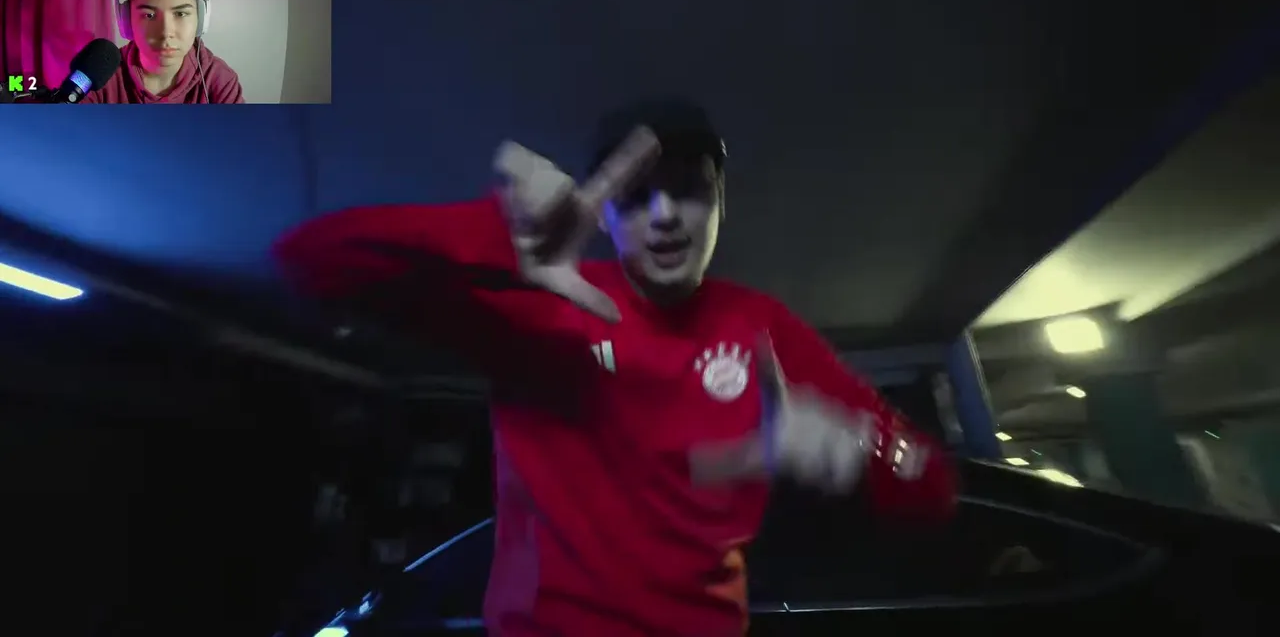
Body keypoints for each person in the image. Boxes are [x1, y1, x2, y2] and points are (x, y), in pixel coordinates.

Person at [273, 99, 957, 636]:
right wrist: (496, 237)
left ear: (722, 201)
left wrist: (863, 449)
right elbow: (311, 260)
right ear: (602, 212)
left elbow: (931, 485)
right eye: (635, 196)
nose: (664, 216)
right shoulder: (541, 308)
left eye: (689, 190)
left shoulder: (761, 329)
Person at [83, 0, 244, 104]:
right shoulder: (99, 73)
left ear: (200, 19)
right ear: (126, 20)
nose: (166, 32)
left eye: (180, 14)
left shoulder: (219, 79)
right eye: (149, 15)